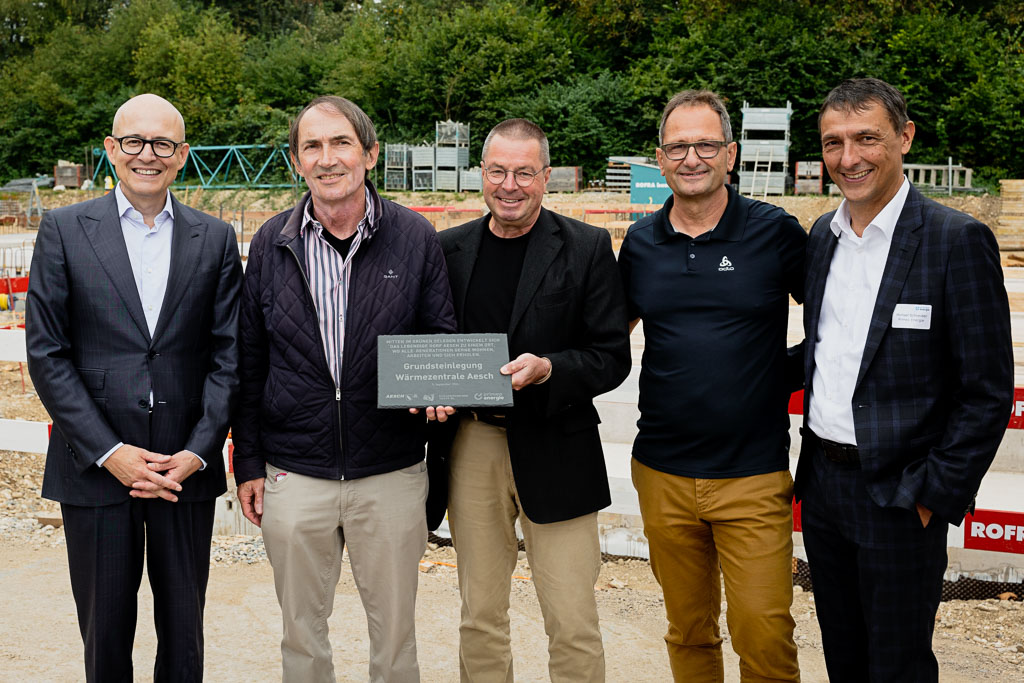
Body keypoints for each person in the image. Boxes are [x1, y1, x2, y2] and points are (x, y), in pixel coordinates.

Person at [231, 95, 456, 683]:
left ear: (370, 154)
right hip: (295, 471)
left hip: (390, 470)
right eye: (312, 146)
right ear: (296, 161)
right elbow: (250, 361)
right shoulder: (272, 242)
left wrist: (440, 389)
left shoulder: (415, 236)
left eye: (341, 143)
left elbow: (441, 335)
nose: (327, 158)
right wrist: (248, 461)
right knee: (301, 636)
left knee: (396, 637)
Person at [796, 77, 1013, 681]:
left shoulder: (955, 240)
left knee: (898, 666)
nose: (848, 158)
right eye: (833, 142)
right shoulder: (823, 237)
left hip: (899, 494)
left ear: (905, 137)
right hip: (823, 490)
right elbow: (827, 351)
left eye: (866, 138)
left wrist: (931, 495)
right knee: (843, 657)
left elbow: (987, 390)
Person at [26, 93, 242, 682]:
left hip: (181, 471)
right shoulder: (64, 230)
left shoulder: (215, 238)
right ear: (111, 149)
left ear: (182, 154)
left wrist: (198, 451)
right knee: (105, 635)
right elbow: (47, 353)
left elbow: (229, 356)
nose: (148, 154)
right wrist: (109, 452)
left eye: (163, 143)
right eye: (134, 141)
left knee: (184, 637)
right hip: (95, 469)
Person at [426, 118, 631, 682]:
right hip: (472, 444)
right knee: (479, 614)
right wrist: (429, 393)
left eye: (523, 173)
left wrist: (550, 369)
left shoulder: (587, 247)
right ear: (481, 174)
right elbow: (430, 345)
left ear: (546, 177)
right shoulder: (448, 249)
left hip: (558, 443)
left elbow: (611, 356)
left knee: (572, 619)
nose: (509, 185)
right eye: (498, 171)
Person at [617, 90, 805, 682]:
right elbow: (604, 336)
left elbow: (838, 326)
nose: (691, 158)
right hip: (662, 473)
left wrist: (772, 375)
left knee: (764, 634)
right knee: (689, 630)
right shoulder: (641, 243)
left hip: (752, 474)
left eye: (705, 145)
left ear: (731, 154)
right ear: (659, 158)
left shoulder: (775, 232)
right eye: (677, 147)